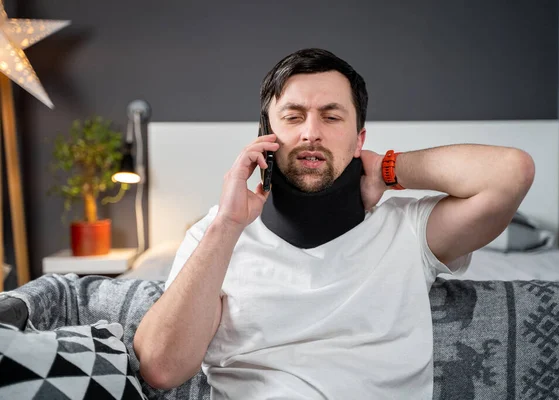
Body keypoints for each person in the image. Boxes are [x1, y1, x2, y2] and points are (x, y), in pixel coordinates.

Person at [133, 48, 535, 399]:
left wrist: (388, 169)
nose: (311, 133)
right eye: (293, 117)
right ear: (265, 135)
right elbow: (160, 367)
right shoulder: (215, 236)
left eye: (331, 117)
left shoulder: (409, 231)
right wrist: (226, 224)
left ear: (359, 139)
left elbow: (510, 172)